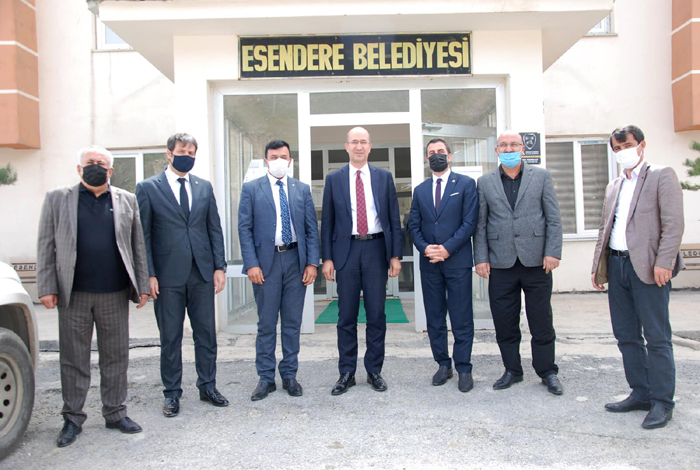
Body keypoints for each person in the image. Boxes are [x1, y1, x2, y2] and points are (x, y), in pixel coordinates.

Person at [37, 146, 150, 447]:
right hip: (73, 294)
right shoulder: (57, 199)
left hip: (113, 293)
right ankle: (73, 417)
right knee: (74, 359)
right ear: (79, 168)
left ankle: (115, 413)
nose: (96, 167)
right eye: (90, 163)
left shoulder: (127, 200)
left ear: (111, 171)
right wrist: (46, 286)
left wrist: (142, 284)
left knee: (116, 356)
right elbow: (46, 245)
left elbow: (137, 246)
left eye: (102, 163)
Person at [591, 125, 685, 429]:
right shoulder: (614, 185)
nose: (622, 152)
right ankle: (641, 392)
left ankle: (662, 402)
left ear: (641, 145)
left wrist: (664, 263)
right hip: (617, 267)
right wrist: (598, 267)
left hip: (648, 267)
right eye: (616, 149)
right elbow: (605, 229)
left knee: (657, 338)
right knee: (626, 336)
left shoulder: (661, 175)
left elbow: (673, 226)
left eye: (627, 146)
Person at [135, 133, 228, 417]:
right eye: (181, 150)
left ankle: (208, 386)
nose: (186, 155)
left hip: (201, 274)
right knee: (171, 338)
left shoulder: (203, 186)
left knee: (206, 335)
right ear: (169, 153)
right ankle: (172, 393)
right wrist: (149, 274)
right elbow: (143, 236)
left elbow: (214, 228)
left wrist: (218, 266)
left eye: (191, 151)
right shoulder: (148, 188)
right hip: (166, 277)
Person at [474, 131, 564, 395]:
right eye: (504, 145)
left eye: (514, 144)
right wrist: (480, 257)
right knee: (504, 321)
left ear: (522, 149)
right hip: (500, 263)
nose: (509, 148)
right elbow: (480, 224)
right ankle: (512, 369)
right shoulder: (485, 182)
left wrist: (553, 251)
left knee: (541, 320)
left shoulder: (541, 176)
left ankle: (547, 371)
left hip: (537, 261)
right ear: (497, 150)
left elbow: (554, 218)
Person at [321, 126, 403, 395]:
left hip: (376, 250)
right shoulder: (334, 179)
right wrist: (327, 258)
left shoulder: (383, 177)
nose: (358, 146)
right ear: (346, 146)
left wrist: (396, 255)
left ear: (370, 146)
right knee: (346, 315)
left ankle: (374, 370)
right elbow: (328, 222)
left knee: (377, 314)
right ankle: (347, 372)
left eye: (363, 142)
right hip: (346, 252)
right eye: (354, 142)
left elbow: (394, 218)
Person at [238, 140, 319, 401]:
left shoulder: (301, 189)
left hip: (296, 262)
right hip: (266, 265)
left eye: (283, 156)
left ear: (290, 161)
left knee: (293, 323)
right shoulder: (251, 189)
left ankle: (289, 375)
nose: (279, 160)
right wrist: (251, 263)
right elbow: (244, 229)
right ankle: (265, 378)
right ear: (265, 161)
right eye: (274, 156)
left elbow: (310, 229)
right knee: (266, 324)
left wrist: (312, 263)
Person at [408, 138, 478, 392]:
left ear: (449, 156)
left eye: (440, 152)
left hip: (456, 261)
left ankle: (464, 368)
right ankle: (442, 364)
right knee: (435, 317)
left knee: (461, 317)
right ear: (427, 160)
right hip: (429, 263)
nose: (436, 156)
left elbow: (469, 223)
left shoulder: (467, 185)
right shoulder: (421, 190)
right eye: (431, 153)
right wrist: (425, 247)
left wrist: (447, 249)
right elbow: (413, 225)